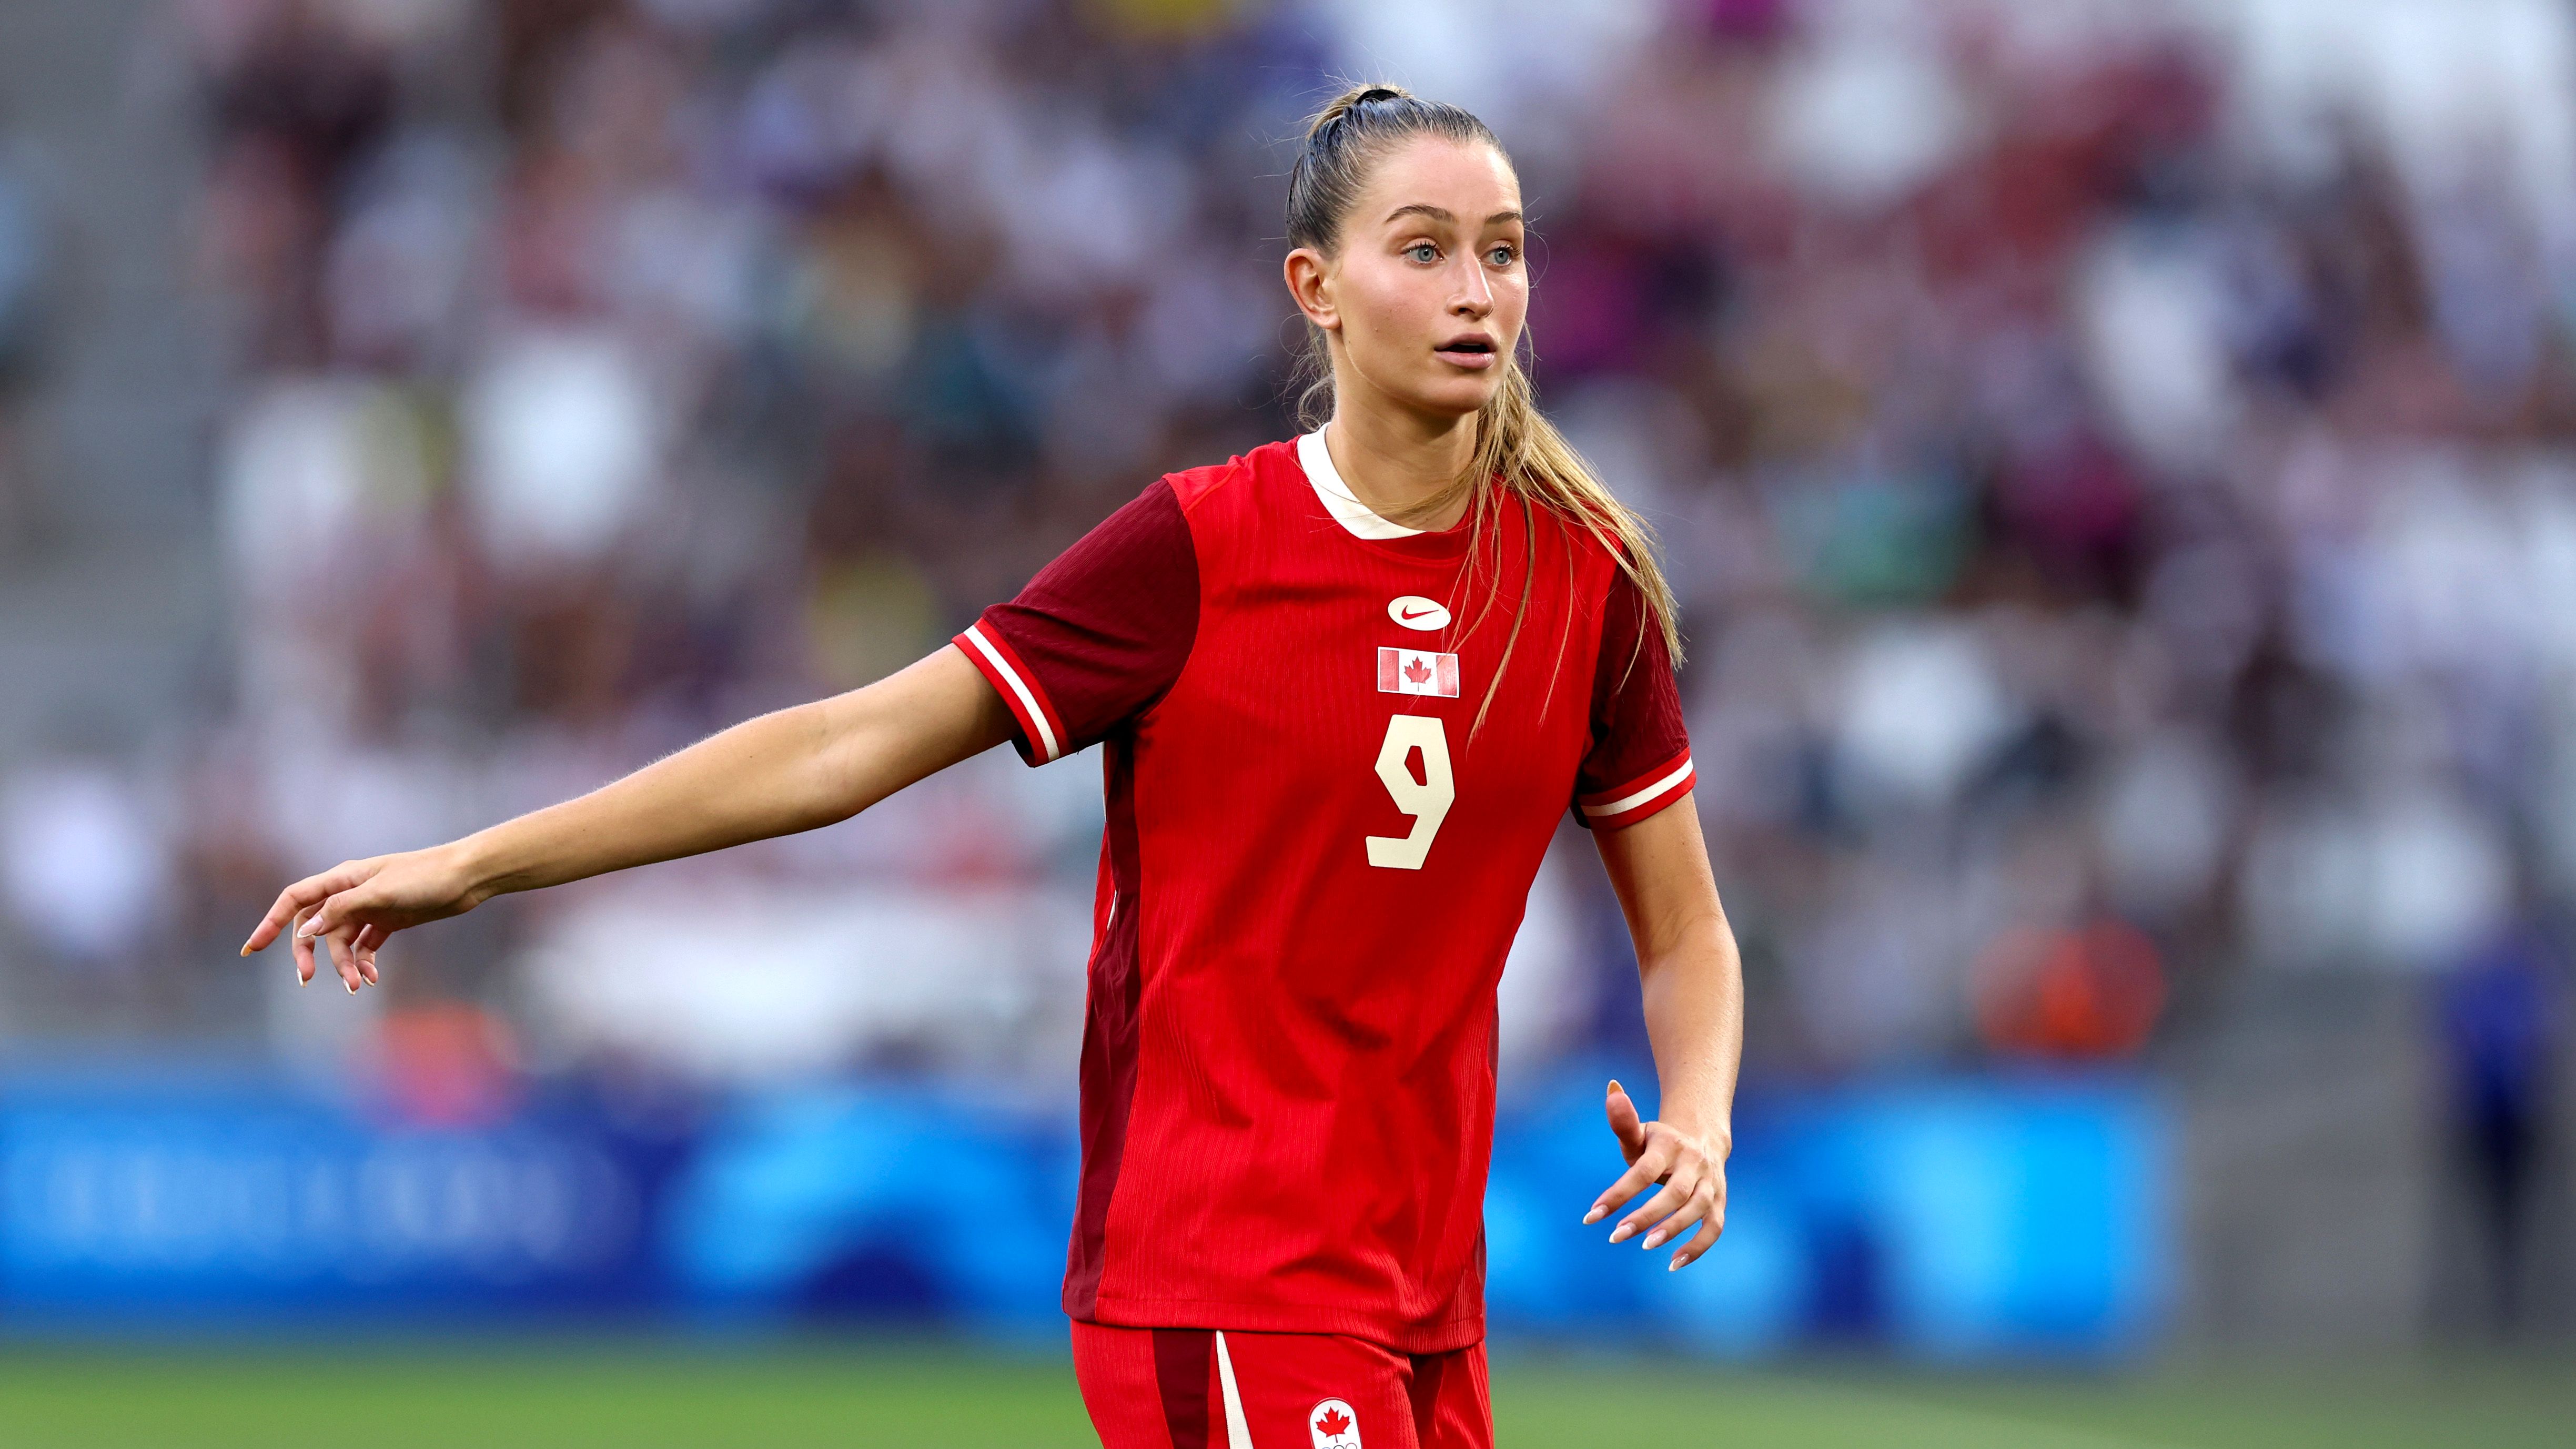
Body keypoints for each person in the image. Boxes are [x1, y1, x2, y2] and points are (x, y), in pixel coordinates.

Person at [241, 84, 1743, 1449]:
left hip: (1424, 1303)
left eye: (1503, 251)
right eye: (1423, 249)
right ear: (1316, 289)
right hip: (1222, 1279)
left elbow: (1683, 927)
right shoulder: (1198, 551)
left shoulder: (1584, 583)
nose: (1477, 290)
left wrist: (1698, 1113)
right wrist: (476, 863)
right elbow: (844, 748)